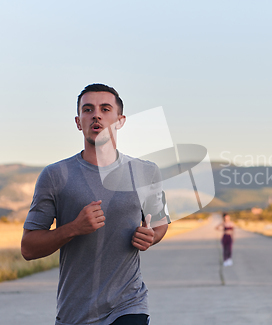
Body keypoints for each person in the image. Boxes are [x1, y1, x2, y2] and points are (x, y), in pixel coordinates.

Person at [21, 83, 170, 325]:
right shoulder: (55, 175)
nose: (96, 115)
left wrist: (151, 236)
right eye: (88, 109)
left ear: (120, 120)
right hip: (75, 312)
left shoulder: (146, 171)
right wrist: (73, 228)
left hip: (129, 304)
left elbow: (160, 224)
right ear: (79, 121)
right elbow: (28, 248)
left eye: (105, 109)